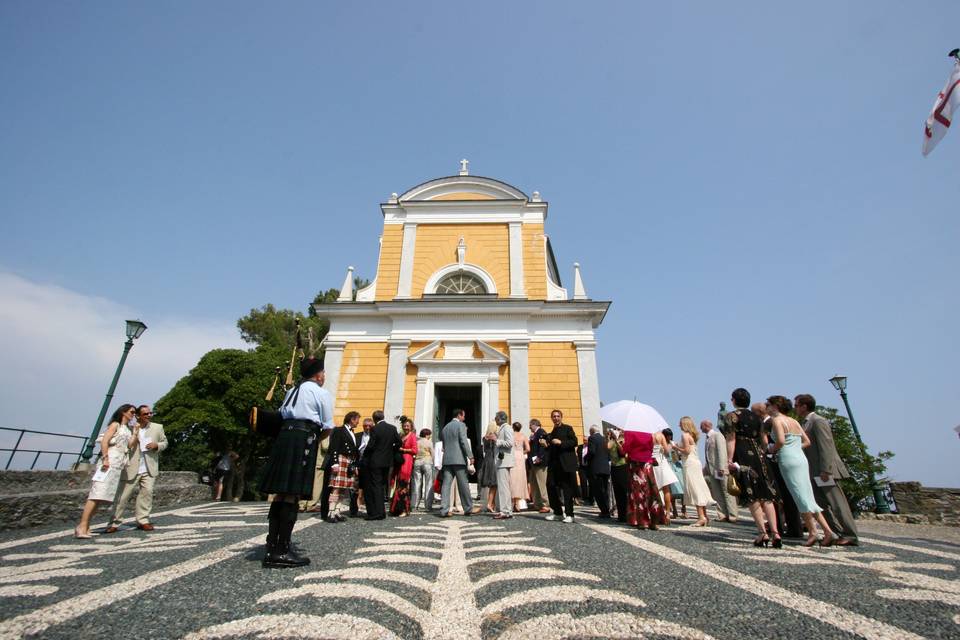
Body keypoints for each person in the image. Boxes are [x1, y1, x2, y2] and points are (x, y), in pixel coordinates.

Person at [259, 357, 333, 568]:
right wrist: (314, 440)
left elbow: (282, 415)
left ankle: (272, 545)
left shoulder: (292, 391)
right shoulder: (320, 393)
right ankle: (281, 551)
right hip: (303, 437)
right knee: (292, 494)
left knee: (281, 493)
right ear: (318, 375)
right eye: (324, 373)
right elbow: (328, 426)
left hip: (284, 436)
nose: (324, 376)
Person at [766, 396, 836, 547]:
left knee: (799, 496)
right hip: (800, 459)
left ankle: (813, 532)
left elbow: (780, 441)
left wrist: (772, 449)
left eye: (769, 405)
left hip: (788, 459)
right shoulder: (794, 421)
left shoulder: (777, 421)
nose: (767, 407)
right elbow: (807, 441)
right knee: (807, 495)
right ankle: (827, 531)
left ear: (775, 406)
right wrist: (795, 448)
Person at [795, 394, 859, 546]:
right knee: (820, 504)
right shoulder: (805, 423)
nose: (795, 408)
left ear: (804, 406)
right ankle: (835, 532)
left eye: (797, 405)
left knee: (837, 504)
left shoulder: (818, 421)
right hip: (814, 472)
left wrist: (826, 469)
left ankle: (850, 534)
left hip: (824, 471)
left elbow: (826, 446)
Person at [723, 387, 782, 548]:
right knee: (766, 495)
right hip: (759, 455)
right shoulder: (756, 417)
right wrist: (764, 453)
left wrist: (729, 459)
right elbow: (764, 439)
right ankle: (775, 532)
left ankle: (762, 532)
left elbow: (731, 439)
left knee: (752, 496)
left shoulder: (732, 416)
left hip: (743, 454)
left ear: (734, 400)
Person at [76, 404, 138, 538]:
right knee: (96, 494)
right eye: (132, 412)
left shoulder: (127, 429)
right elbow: (104, 441)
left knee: (100, 497)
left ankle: (86, 526)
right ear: (123, 412)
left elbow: (130, 446)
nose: (134, 414)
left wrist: (135, 432)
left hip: (118, 464)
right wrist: (105, 458)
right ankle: (82, 526)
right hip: (109, 462)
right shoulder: (115, 425)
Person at [106, 404, 167, 532]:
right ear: (138, 416)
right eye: (146, 414)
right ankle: (114, 522)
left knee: (147, 494)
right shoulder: (129, 428)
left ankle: (143, 520)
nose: (149, 415)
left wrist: (157, 445)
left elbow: (164, 442)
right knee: (122, 496)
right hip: (131, 466)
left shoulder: (157, 427)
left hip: (149, 466)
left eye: (151, 413)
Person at [754, 402, 802, 538]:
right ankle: (788, 527)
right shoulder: (779, 421)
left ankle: (783, 528)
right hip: (779, 459)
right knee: (783, 495)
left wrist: (769, 450)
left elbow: (772, 442)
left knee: (778, 495)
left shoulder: (771, 422)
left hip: (775, 460)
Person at [673, 417, 713, 526]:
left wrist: (675, 447)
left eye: (680, 423)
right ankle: (705, 516)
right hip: (695, 462)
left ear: (685, 424)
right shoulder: (692, 436)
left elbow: (687, 451)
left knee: (695, 488)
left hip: (690, 463)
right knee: (699, 487)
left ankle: (701, 517)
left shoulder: (684, 435)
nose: (679, 425)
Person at [439, 408, 479, 517]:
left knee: (446, 484)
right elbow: (463, 441)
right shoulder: (461, 425)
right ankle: (468, 508)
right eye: (463, 416)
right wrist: (470, 455)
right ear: (459, 416)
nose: (464, 418)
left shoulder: (445, 427)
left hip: (447, 459)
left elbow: (443, 443)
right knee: (463, 484)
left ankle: (445, 509)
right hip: (458, 459)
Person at [322, 411, 361, 523]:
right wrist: (334, 463)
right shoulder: (339, 430)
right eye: (357, 419)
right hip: (340, 459)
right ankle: (330, 512)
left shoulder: (352, 432)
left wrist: (355, 464)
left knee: (344, 489)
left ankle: (337, 511)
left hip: (349, 461)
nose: (358, 422)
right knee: (336, 487)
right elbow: (334, 447)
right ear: (352, 419)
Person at [622, 429, 664, 530]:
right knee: (651, 491)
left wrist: (621, 443)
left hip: (636, 464)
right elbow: (651, 447)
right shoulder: (648, 432)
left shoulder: (629, 432)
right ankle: (654, 520)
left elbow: (625, 449)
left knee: (638, 493)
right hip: (648, 463)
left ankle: (642, 521)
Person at [362, 410, 400, 521]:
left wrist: (365, 456)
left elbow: (371, 445)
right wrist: (390, 450)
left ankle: (379, 512)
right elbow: (399, 442)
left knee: (376, 486)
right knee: (383, 485)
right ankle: (381, 511)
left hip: (375, 461)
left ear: (374, 419)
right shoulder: (392, 428)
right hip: (387, 461)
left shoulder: (375, 429)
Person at [544, 409, 578, 523]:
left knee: (567, 489)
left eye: (558, 416)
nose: (556, 418)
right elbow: (551, 449)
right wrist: (546, 445)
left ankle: (570, 514)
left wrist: (561, 443)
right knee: (550, 485)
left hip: (566, 464)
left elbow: (574, 442)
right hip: (554, 464)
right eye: (554, 416)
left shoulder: (568, 428)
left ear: (561, 417)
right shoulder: (552, 432)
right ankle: (558, 512)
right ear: (551, 418)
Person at [701, 419, 737, 522]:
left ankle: (732, 514)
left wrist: (722, 467)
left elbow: (721, 451)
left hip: (720, 469)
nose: (700, 428)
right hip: (712, 470)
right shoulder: (708, 438)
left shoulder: (717, 435)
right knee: (717, 493)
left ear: (706, 425)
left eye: (701, 426)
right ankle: (722, 515)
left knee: (726, 491)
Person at [389, 417, 418, 517]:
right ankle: (396, 509)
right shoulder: (401, 435)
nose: (406, 427)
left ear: (411, 427)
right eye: (404, 426)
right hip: (400, 461)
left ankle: (404, 509)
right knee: (399, 485)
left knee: (403, 485)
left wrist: (403, 449)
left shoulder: (412, 436)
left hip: (407, 460)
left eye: (407, 426)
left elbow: (415, 450)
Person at [653, 429, 679, 525]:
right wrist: (662, 449)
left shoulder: (649, 435)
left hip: (653, 463)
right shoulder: (660, 436)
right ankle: (667, 513)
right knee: (666, 489)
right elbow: (667, 451)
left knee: (655, 489)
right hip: (662, 462)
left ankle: (657, 513)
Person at [586, 425, 611, 518]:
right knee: (605, 490)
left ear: (591, 432)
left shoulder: (592, 438)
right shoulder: (604, 439)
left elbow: (592, 451)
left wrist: (585, 458)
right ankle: (607, 508)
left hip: (595, 468)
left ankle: (604, 511)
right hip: (605, 468)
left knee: (597, 490)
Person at [493, 411, 515, 520]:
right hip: (501, 461)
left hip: (504, 461)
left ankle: (505, 511)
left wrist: (496, 441)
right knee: (503, 487)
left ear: (500, 418)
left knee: (504, 487)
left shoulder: (507, 428)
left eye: (496, 418)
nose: (495, 419)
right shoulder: (502, 428)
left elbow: (510, 443)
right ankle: (505, 510)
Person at [528, 419, 551, 513]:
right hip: (533, 462)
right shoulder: (535, 434)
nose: (529, 427)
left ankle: (545, 505)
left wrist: (539, 457)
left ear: (534, 424)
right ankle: (537, 504)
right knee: (534, 484)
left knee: (541, 484)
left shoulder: (541, 432)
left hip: (540, 462)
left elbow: (543, 446)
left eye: (530, 425)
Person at [352, 417, 374, 516]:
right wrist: (355, 466)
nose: (367, 428)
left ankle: (370, 510)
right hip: (359, 463)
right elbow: (353, 452)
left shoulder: (375, 436)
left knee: (368, 488)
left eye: (369, 426)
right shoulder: (357, 436)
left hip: (370, 465)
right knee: (355, 488)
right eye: (365, 426)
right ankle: (353, 510)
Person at [608, 428, 629, 522]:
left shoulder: (624, 440)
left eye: (619, 429)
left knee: (624, 491)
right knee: (617, 491)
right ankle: (621, 515)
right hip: (614, 467)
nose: (617, 430)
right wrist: (609, 437)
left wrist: (617, 440)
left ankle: (627, 514)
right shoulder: (612, 441)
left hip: (623, 466)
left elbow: (623, 453)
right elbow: (607, 447)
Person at [410, 428, 434, 511]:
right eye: (429, 435)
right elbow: (432, 453)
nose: (430, 436)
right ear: (427, 435)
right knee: (429, 484)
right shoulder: (429, 442)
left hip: (417, 463)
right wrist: (434, 463)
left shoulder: (416, 442)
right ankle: (428, 506)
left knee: (416, 484)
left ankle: (414, 505)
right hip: (427, 463)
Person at [477, 420, 499, 512]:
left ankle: (492, 504)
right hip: (493, 459)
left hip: (487, 459)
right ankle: (490, 504)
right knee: (494, 483)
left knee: (490, 483)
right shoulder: (494, 437)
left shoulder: (484, 438)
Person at [510, 421, 530, 513]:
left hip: (512, 457)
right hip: (520, 457)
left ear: (513, 427)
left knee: (511, 479)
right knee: (519, 479)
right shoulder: (523, 436)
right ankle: (517, 503)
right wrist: (522, 452)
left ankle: (512, 502)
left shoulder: (510, 435)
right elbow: (528, 449)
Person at [669, 449, 687, 519]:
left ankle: (684, 510)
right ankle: (674, 510)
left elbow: (679, 456)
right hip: (670, 467)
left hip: (678, 468)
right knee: (672, 490)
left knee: (682, 489)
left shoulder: (674, 445)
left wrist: (676, 452)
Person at [576, 436, 593, 506]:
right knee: (583, 483)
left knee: (591, 483)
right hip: (582, 467)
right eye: (584, 440)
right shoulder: (580, 447)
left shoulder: (591, 447)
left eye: (586, 440)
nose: (585, 441)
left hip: (589, 467)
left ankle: (591, 498)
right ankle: (585, 498)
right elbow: (577, 456)